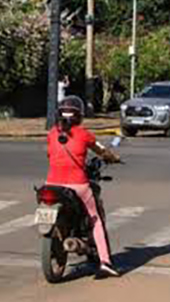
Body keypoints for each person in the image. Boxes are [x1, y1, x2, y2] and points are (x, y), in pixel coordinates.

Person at [45, 95, 122, 278]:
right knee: (95, 220)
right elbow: (101, 151)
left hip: (51, 184)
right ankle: (105, 262)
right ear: (79, 116)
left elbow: (50, 155)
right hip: (77, 184)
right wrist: (113, 158)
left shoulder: (52, 134)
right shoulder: (84, 134)